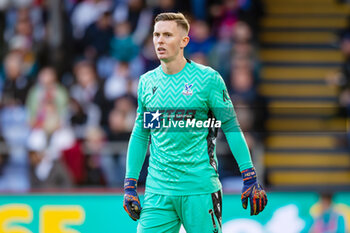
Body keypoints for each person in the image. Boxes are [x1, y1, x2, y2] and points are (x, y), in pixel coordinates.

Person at [123, 12, 267, 233]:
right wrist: (130, 183)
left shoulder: (207, 80)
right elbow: (142, 134)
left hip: (199, 188)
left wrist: (249, 175)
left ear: (184, 41)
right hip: (158, 192)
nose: (160, 40)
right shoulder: (146, 82)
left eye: (167, 35)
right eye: (156, 35)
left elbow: (231, 127)